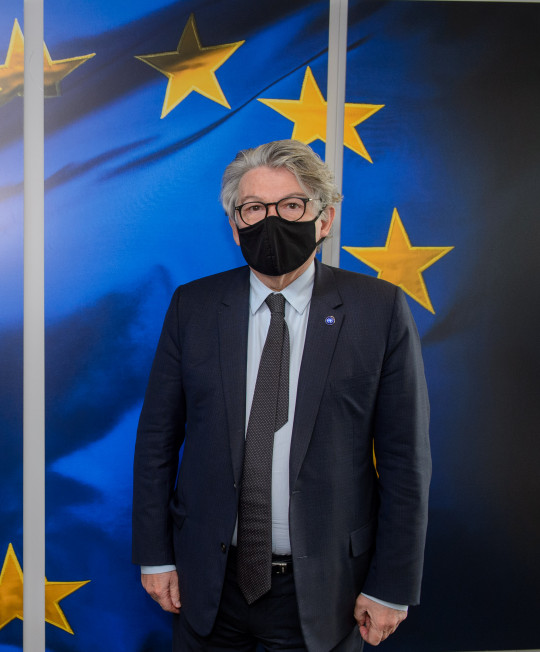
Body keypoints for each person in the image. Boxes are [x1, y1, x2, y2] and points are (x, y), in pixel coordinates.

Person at [132, 140, 431, 651]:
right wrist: (156, 555)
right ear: (235, 225)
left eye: (291, 205)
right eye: (254, 208)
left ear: (324, 219)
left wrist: (392, 586)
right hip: (208, 586)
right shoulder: (194, 307)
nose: (271, 221)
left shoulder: (378, 310)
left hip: (325, 591)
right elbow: (158, 439)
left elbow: (406, 461)